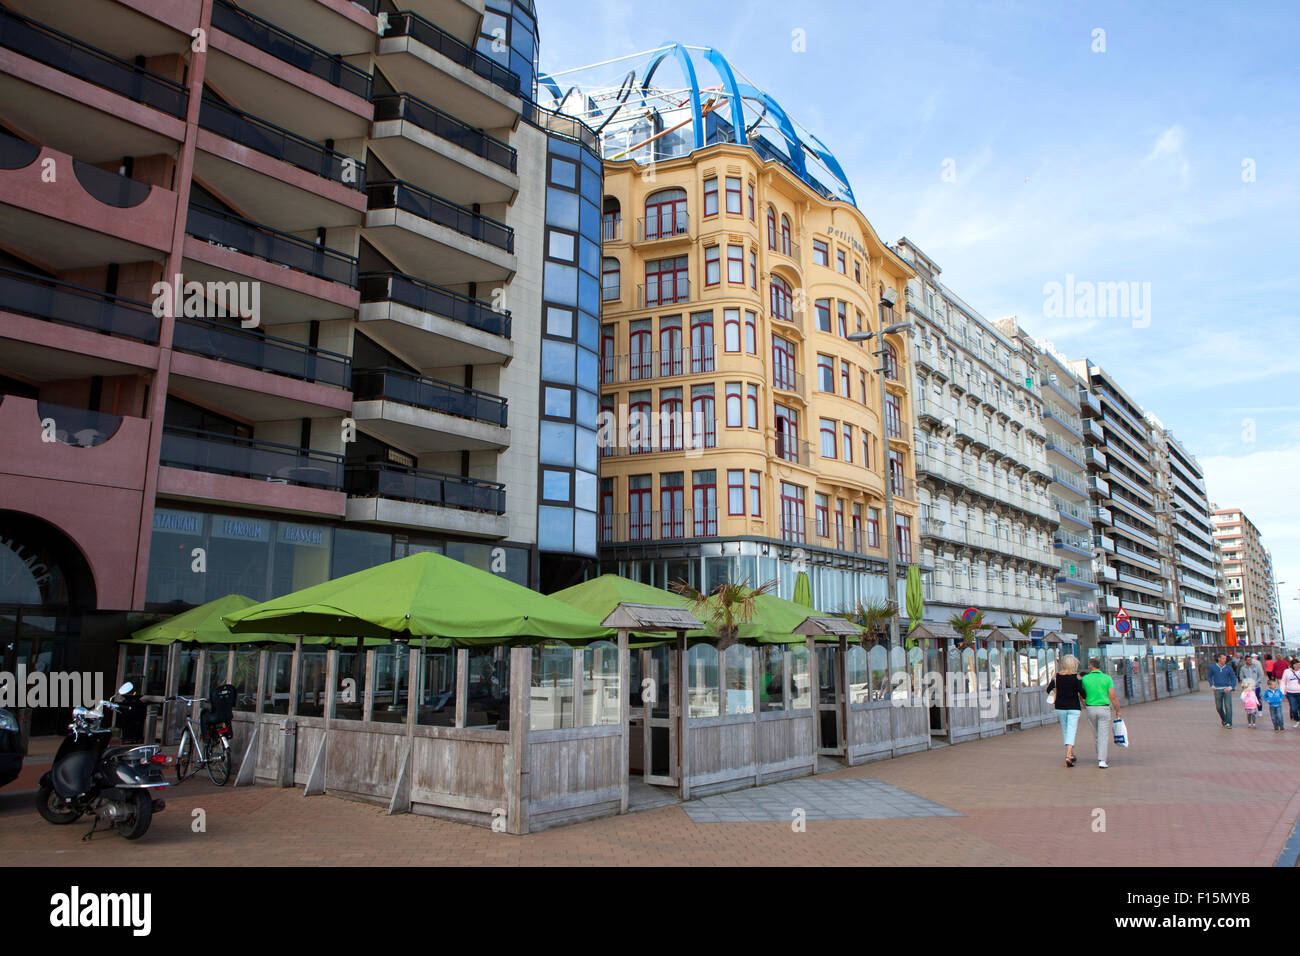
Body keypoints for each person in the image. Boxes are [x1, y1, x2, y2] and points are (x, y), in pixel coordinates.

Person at [1081, 657, 1123, 769]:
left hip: (1090, 708)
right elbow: (1113, 696)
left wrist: (1084, 704)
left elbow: (1081, 694)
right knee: (1103, 735)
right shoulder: (1107, 678)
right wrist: (1118, 710)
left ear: (1091, 666)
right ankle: (1102, 760)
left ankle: (1099, 755)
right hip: (1104, 708)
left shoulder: (1085, 679)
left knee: (1096, 734)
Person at [1046, 654, 1086, 767]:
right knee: (1072, 730)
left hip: (1060, 707)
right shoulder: (1077, 677)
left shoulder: (1056, 677)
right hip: (1074, 707)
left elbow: (1048, 689)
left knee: (1065, 730)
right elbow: (1081, 692)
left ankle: (1071, 753)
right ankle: (1068, 755)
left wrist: (1055, 692)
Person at [1208, 653, 1237, 728]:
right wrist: (1212, 685)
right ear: (1219, 658)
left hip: (1226, 689)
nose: (1224, 660)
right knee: (1218, 707)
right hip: (1217, 689)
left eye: (1225, 659)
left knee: (1228, 706)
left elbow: (1234, 678)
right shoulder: (1213, 667)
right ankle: (1224, 719)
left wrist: (1231, 687)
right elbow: (1209, 676)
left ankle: (1229, 722)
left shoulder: (1228, 668)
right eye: (1223, 658)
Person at [1281, 660, 1300, 726]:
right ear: (1294, 665)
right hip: (1290, 693)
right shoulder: (1287, 671)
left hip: (1299, 692)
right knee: (1293, 708)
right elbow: (1283, 681)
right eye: (1297, 664)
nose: (1299, 666)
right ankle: (1297, 719)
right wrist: (1282, 692)